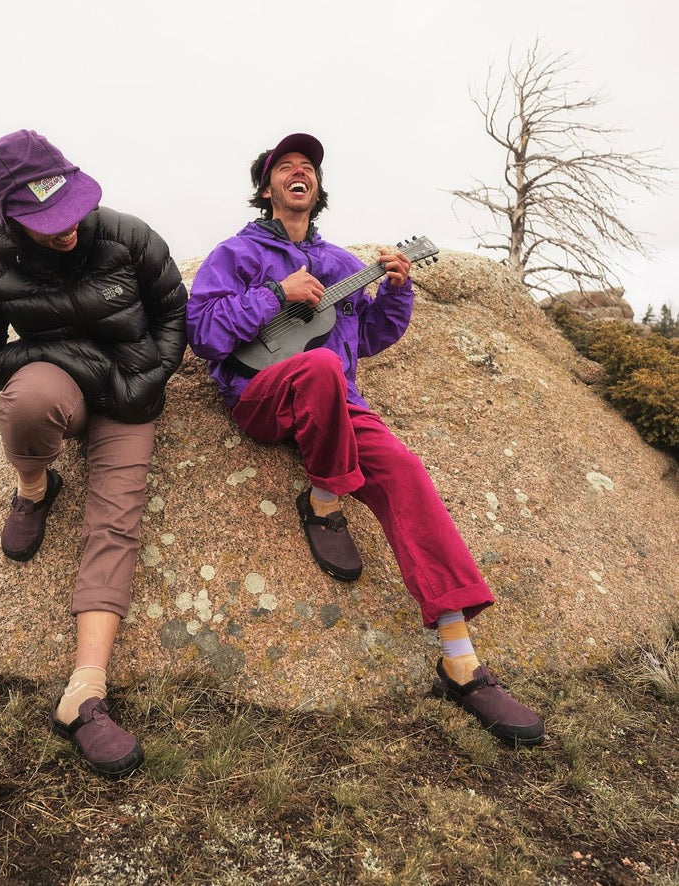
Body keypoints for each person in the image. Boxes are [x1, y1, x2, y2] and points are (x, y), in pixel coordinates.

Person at [186, 132, 544, 747]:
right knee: (321, 368)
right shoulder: (235, 253)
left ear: (317, 190)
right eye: (287, 167)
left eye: (310, 169)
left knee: (405, 469)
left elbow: (370, 336)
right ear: (267, 185)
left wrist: (397, 291)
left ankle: (460, 660)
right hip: (262, 398)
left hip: (340, 408)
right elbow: (203, 332)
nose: (300, 173)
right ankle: (325, 498)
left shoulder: (341, 266)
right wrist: (275, 294)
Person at [0, 129, 187, 777]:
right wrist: (58, 354)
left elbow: (173, 313)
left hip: (129, 397)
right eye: (46, 221)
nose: (67, 230)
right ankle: (34, 488)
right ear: (6, 215)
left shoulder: (127, 238)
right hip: (64, 388)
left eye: (70, 209)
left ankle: (84, 692)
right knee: (26, 400)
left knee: (116, 516)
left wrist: (150, 376)